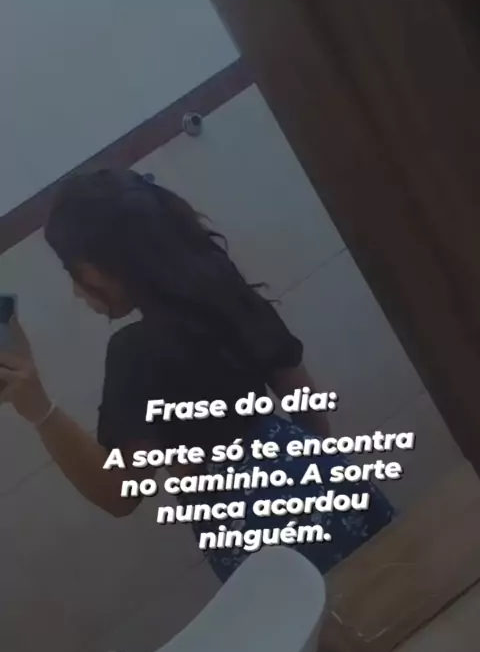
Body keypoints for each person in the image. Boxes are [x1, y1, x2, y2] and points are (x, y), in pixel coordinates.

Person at [0, 169, 395, 583]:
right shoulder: (226, 290)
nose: (76, 290)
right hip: (331, 486)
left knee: (327, 618)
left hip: (263, 537)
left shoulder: (135, 352)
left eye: (72, 271)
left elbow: (118, 494)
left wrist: (38, 408)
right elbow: (310, 412)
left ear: (96, 266)